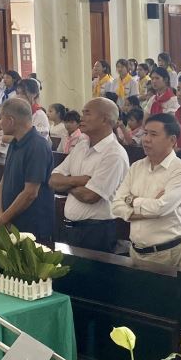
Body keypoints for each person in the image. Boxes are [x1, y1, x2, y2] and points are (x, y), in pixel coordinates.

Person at [111, 113, 181, 270]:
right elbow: (115, 206)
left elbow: (161, 208)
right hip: (135, 251)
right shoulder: (137, 167)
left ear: (172, 140)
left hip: (166, 254)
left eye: (153, 134)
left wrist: (131, 200)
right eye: (145, 133)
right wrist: (151, 209)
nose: (146, 139)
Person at [50, 98, 130, 253]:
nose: (82, 118)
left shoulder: (114, 154)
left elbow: (90, 196)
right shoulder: (81, 146)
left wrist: (66, 185)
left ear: (104, 119)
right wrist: (80, 180)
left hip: (96, 232)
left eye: (87, 113)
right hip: (70, 229)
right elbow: (53, 180)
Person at [0, 97, 56, 243]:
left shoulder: (37, 146)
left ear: (11, 120)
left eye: (1, 118)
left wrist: (3, 218)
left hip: (32, 226)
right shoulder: (15, 142)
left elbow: (30, 193)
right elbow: (4, 179)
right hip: (10, 222)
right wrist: (0, 214)